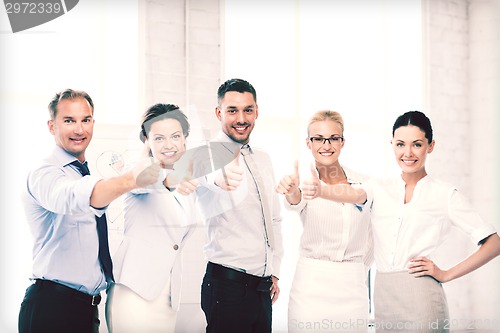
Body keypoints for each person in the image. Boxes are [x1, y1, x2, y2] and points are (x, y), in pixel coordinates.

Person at [309, 111, 500, 332]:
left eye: (417, 144)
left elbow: (493, 243)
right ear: (392, 144)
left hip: (422, 298)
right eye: (400, 144)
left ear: (431, 146)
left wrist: (446, 274)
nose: (408, 153)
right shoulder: (378, 187)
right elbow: (353, 194)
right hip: (384, 296)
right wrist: (321, 190)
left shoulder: (445, 194)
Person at [19, 89, 160, 333]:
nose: (79, 130)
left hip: (87, 310)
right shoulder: (45, 173)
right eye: (69, 121)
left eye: (85, 120)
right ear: (52, 126)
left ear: (93, 123)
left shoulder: (84, 173)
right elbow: (71, 196)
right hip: (52, 309)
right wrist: (132, 179)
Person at [194, 78, 284, 333]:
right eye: (232, 111)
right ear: (218, 112)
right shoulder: (206, 153)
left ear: (257, 111)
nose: (241, 118)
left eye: (248, 110)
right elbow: (200, 175)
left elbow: (274, 220)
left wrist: (274, 270)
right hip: (227, 287)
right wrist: (217, 179)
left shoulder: (264, 159)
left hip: (262, 288)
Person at [276, 110, 373, 333]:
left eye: (333, 138)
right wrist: (291, 191)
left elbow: (373, 233)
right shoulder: (305, 183)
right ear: (308, 143)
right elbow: (296, 200)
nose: (326, 145)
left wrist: (359, 268)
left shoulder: (364, 183)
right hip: (311, 287)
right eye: (318, 138)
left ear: (342, 142)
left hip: (353, 289)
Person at [105, 103, 199, 332]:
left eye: (175, 136)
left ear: (185, 138)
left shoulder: (187, 182)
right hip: (134, 294)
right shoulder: (137, 168)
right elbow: (142, 180)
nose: (169, 145)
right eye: (159, 138)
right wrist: (168, 181)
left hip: (167, 297)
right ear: (146, 140)